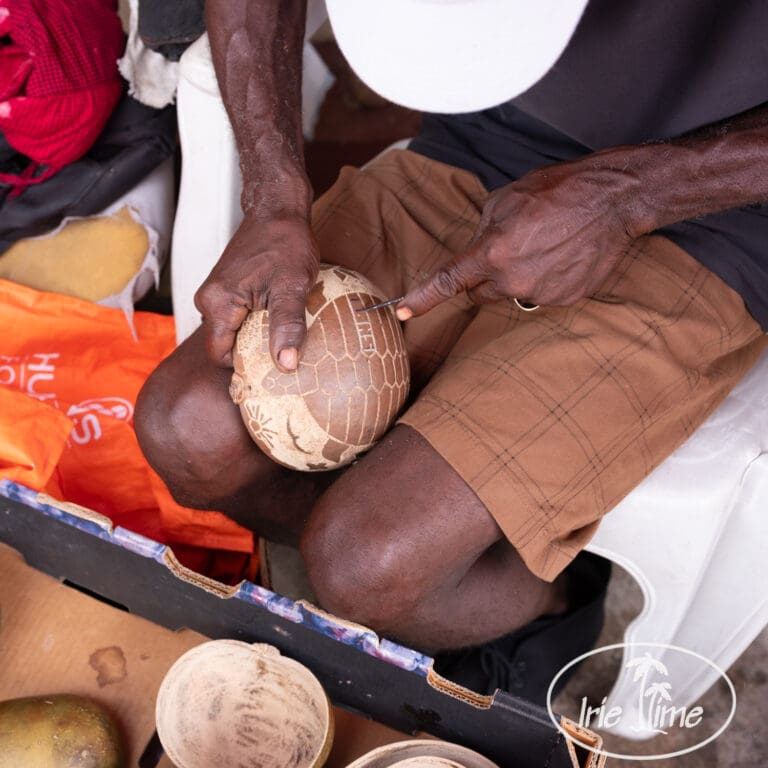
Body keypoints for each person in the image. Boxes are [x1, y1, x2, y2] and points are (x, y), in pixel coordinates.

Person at [134, 0, 768, 700]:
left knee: (366, 564)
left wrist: (629, 195)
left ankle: (551, 597)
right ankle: (434, 557)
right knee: (189, 428)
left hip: (710, 214)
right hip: (484, 139)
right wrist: (273, 192)